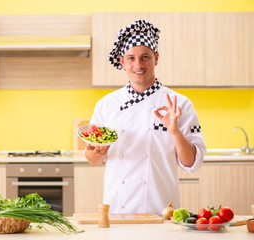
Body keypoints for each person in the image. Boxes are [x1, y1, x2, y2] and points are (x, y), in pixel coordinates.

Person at [84, 19, 206, 215]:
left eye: (145, 57)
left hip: (162, 210)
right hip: (116, 210)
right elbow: (92, 158)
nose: (138, 64)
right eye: (131, 58)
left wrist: (174, 131)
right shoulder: (107, 104)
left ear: (156, 58)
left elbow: (192, 163)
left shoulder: (179, 103)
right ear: (122, 61)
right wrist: (96, 153)